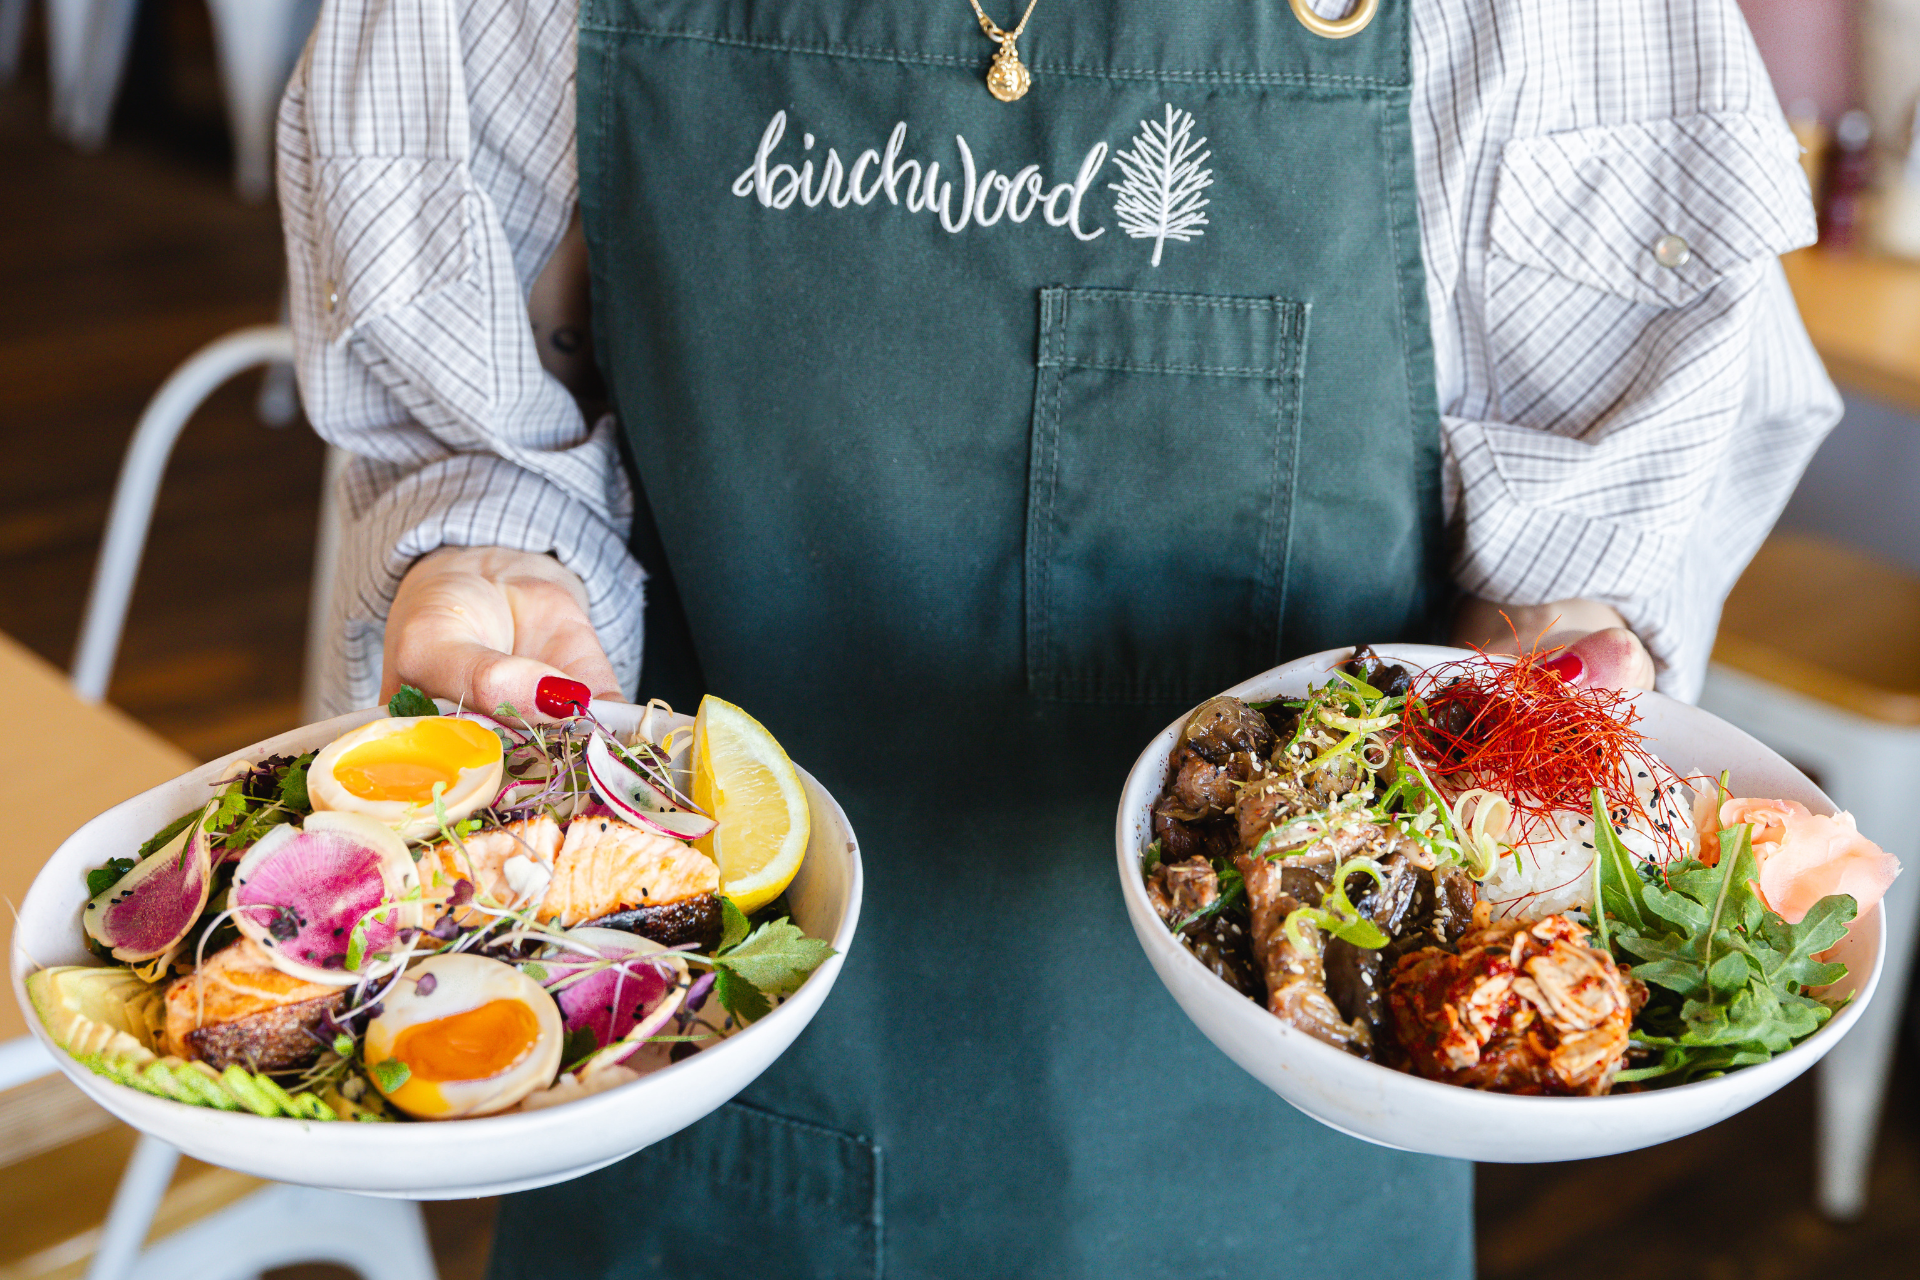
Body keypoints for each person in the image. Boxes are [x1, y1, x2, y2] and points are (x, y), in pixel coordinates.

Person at [279, 1, 1839, 1275]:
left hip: (1282, 1147)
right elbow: (482, 419)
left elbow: (1588, 510)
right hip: (689, 1077)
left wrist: (1544, 665)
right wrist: (499, 567)